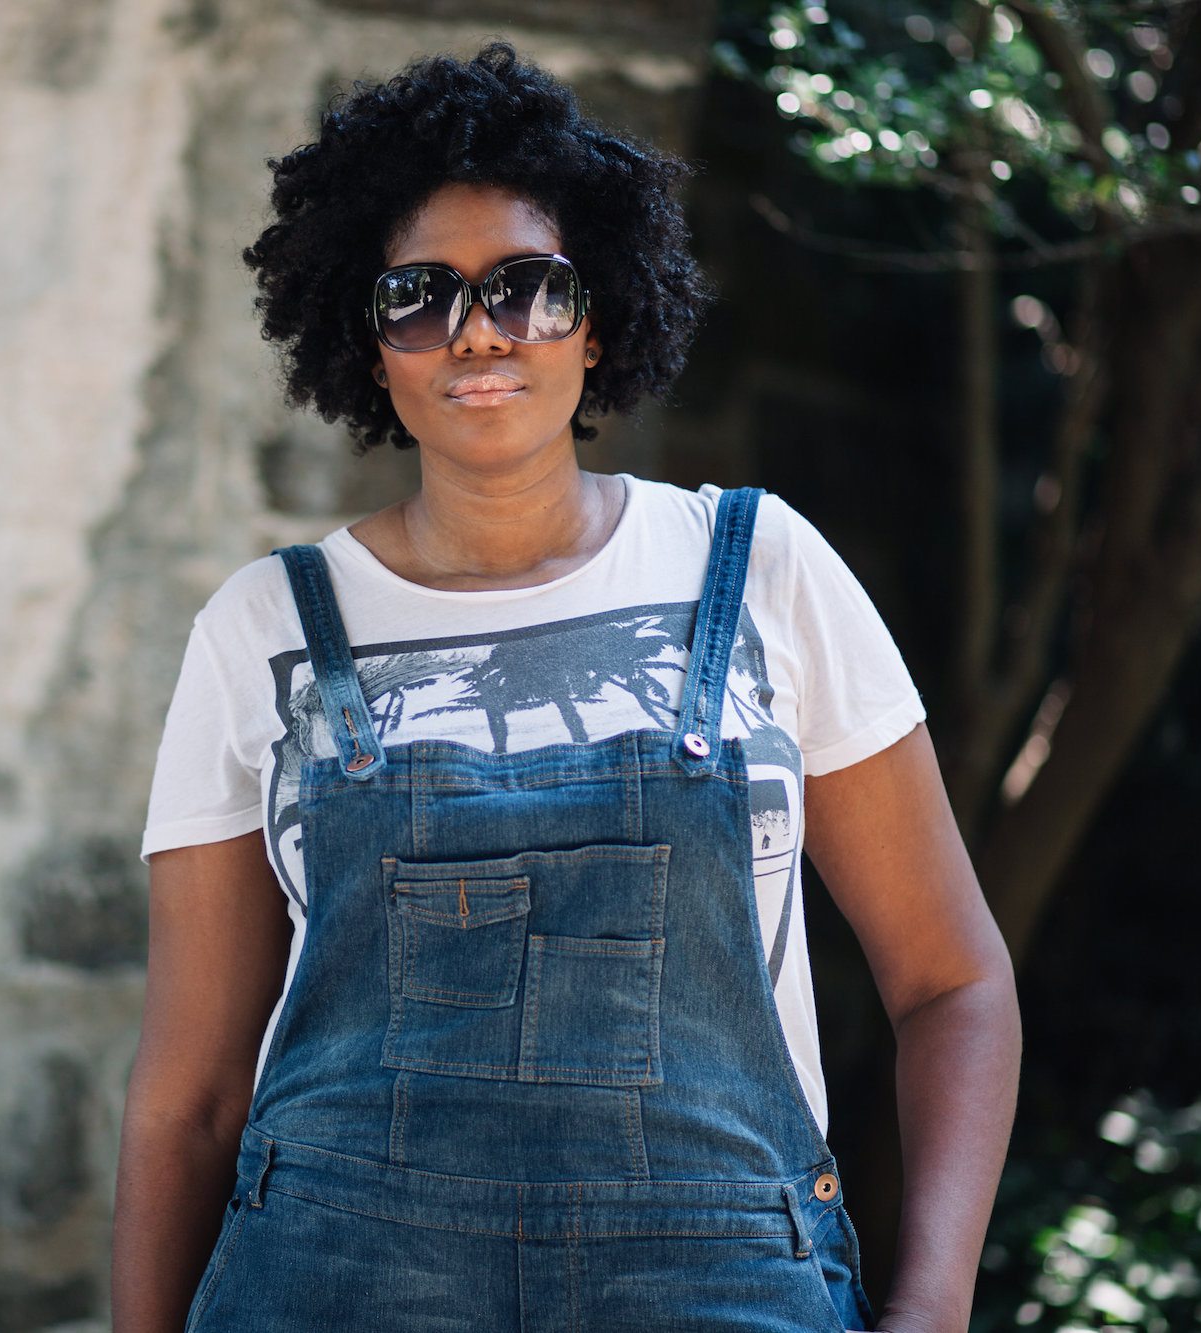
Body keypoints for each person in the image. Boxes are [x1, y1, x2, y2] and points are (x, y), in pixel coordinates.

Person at [111, 42, 1020, 1333]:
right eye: (419, 297)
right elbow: (189, 1097)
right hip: (334, 1290)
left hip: (719, 1288)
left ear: (597, 322)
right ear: (371, 346)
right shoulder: (261, 628)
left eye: (529, 288)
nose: (479, 331)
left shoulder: (759, 569)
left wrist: (932, 1307)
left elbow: (951, 983)